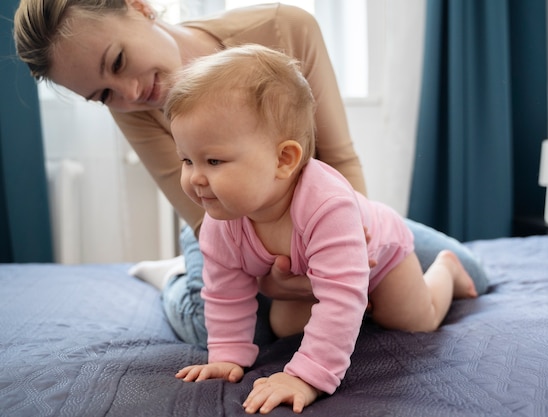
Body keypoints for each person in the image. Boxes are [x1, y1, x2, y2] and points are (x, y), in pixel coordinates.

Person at [13, 0, 489, 349]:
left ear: (139, 8)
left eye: (117, 62)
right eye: (103, 95)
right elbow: (207, 216)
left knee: (471, 274)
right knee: (229, 332)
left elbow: (339, 160)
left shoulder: (285, 28)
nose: (131, 92)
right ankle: (176, 279)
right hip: (224, 220)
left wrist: (351, 249)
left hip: (318, 214)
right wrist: (275, 282)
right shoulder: (134, 105)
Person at [166, 44, 478, 414]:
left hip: (377, 257)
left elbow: (341, 295)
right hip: (311, 277)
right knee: (284, 327)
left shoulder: (327, 206)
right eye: (187, 159)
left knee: (414, 321)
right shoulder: (222, 219)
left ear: (284, 159)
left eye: (213, 160)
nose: (195, 178)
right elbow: (224, 293)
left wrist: (306, 376)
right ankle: (358, 315)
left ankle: (445, 270)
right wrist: (227, 354)